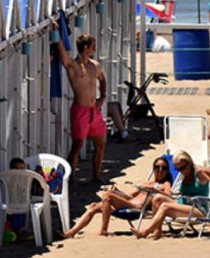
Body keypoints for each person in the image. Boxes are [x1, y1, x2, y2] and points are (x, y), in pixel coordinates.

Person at [60, 156, 174, 238]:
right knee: (94, 206)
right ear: (153, 169)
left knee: (108, 196)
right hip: (128, 203)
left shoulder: (165, 184)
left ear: (167, 170)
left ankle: (103, 230)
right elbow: (128, 195)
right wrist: (117, 191)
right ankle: (71, 232)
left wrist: (155, 190)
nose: (159, 170)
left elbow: (169, 196)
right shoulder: (146, 183)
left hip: (137, 208)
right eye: (157, 167)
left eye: (163, 168)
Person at [132, 150, 210, 239]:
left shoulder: (200, 172)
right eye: (177, 169)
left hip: (199, 210)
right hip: (183, 206)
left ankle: (145, 231)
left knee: (165, 206)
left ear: (189, 162)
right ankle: (157, 231)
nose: (180, 171)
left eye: (182, 168)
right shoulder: (185, 173)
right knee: (157, 198)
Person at [55, 33, 107, 185]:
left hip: (93, 110)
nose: (94, 50)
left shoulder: (95, 65)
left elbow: (103, 80)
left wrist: (102, 97)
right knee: (77, 146)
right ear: (86, 49)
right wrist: (58, 35)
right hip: (80, 111)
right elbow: (63, 56)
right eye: (93, 48)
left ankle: (96, 176)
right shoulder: (74, 66)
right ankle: (72, 179)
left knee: (100, 144)